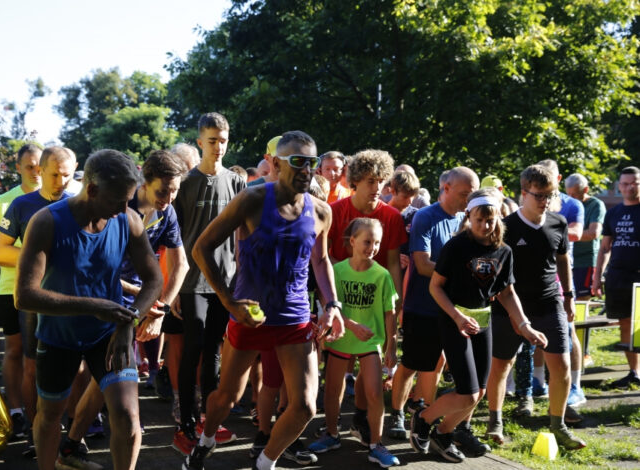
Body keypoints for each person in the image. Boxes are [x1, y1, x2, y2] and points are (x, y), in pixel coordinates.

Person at [184, 130, 344, 470]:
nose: (306, 170)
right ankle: (206, 440)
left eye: (311, 163)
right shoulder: (253, 200)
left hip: (294, 318)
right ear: (274, 163)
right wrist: (229, 302)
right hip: (250, 316)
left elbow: (321, 259)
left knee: (304, 407)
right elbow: (202, 248)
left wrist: (332, 305)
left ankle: (265, 463)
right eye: (297, 162)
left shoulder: (320, 212)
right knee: (228, 398)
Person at [15, 149, 163, 470]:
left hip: (107, 335)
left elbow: (154, 279)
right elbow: (24, 296)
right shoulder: (47, 222)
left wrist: (129, 321)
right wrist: (94, 306)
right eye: (117, 200)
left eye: (129, 200)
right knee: (51, 414)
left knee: (126, 415)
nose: (125, 209)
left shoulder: (128, 219)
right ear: (92, 190)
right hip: (58, 337)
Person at [62, 149, 190, 464]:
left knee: (105, 377)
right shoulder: (118, 204)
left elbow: (181, 266)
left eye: (175, 191)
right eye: (163, 190)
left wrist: (160, 308)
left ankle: (71, 442)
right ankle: (67, 439)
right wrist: (144, 300)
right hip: (98, 298)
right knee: (98, 376)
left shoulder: (167, 213)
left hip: (134, 303)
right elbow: (91, 267)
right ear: (143, 181)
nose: (169, 199)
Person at [410, 188, 547, 462]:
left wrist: (524, 325)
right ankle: (423, 418)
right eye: (479, 219)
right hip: (454, 321)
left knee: (479, 391)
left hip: (482, 322)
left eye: (491, 219)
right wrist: (457, 317)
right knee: (467, 392)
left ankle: (443, 433)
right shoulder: (456, 246)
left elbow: (507, 293)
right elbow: (436, 288)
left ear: (499, 217)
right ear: (469, 216)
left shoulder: (504, 251)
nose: (485, 225)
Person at [485, 164, 586, 450]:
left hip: (549, 301)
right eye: (539, 195)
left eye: (549, 195)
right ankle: (495, 421)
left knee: (562, 364)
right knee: (502, 365)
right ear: (523, 194)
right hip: (510, 304)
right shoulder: (506, 227)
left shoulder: (558, 222)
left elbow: (563, 258)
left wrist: (568, 294)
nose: (544, 201)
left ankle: (558, 424)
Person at [0, 146, 78, 460]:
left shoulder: (80, 203)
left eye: (67, 174)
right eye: (54, 174)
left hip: (73, 297)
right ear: (39, 171)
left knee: (77, 368)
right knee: (32, 366)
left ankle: (71, 435)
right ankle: (34, 431)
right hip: (33, 297)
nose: (61, 180)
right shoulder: (20, 205)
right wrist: (39, 258)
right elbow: (0, 251)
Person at [388, 167, 479, 445]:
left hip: (452, 308)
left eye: (472, 194)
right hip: (422, 305)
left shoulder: (466, 218)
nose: (469, 199)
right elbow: (422, 263)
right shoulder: (425, 217)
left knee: (437, 363)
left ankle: (422, 413)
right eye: (465, 193)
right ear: (446, 188)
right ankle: (396, 413)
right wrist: (460, 274)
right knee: (412, 364)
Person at [172, 113, 245, 453]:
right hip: (190, 281)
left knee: (214, 350)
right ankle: (184, 422)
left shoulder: (237, 182)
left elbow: (244, 236)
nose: (218, 147)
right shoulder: (184, 183)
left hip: (225, 281)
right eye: (212, 140)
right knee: (194, 347)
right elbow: (171, 240)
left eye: (223, 140)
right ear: (200, 141)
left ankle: (208, 421)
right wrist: (169, 288)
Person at [309, 217, 400, 467]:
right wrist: (351, 325)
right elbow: (328, 305)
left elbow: (389, 312)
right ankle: (331, 434)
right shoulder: (336, 272)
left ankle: (375, 444)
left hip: (370, 342)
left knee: (374, 392)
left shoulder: (381, 275)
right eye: (367, 241)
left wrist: (391, 345)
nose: (372, 247)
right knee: (333, 390)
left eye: (377, 243)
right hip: (341, 338)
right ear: (352, 241)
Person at [0, 143, 42, 440]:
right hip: (10, 289)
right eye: (28, 166)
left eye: (39, 165)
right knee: (16, 350)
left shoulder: (59, 199)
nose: (35, 171)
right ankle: (16, 410)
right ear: (18, 168)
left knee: (46, 354)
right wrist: (31, 255)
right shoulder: (5, 202)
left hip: (49, 290)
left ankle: (50, 414)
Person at [592, 166, 640, 388]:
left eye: (635, 182)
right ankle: (634, 372)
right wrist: (596, 277)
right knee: (625, 325)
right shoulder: (613, 213)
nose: (630, 187)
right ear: (619, 186)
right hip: (618, 278)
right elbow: (604, 248)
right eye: (625, 183)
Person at [566, 172, 606, 371]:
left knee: (581, 308)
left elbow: (593, 233)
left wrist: (565, 233)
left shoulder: (596, 205)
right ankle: (570, 353)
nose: (572, 199)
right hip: (568, 261)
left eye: (576, 194)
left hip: (587, 261)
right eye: (569, 194)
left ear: (586, 190)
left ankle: (585, 353)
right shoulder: (568, 204)